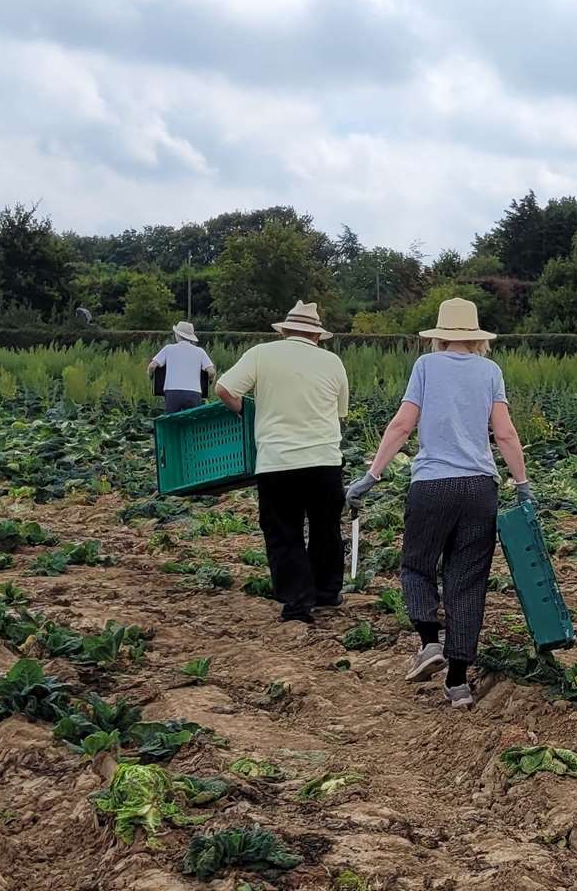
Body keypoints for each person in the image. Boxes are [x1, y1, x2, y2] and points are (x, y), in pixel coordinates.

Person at [344, 298, 531, 710]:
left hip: (433, 485)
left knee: (417, 564)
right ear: (476, 337)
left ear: (440, 335)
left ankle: (430, 643)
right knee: (467, 580)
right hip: (480, 488)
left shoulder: (426, 367)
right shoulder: (491, 371)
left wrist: (371, 476)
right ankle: (459, 683)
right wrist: (522, 483)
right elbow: (504, 433)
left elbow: (402, 425)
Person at [215, 301, 350, 625]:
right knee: (325, 529)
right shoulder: (332, 362)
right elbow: (340, 411)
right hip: (323, 460)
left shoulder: (262, 354)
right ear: (317, 336)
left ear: (286, 331)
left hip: (277, 462)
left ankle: (298, 605)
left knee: (284, 532)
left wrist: (247, 413)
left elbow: (223, 388)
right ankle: (327, 594)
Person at [147, 321, 216, 413]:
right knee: (192, 422)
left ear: (177, 335)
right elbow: (211, 371)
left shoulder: (168, 349)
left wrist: (151, 376)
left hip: (172, 392)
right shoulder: (200, 351)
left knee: (171, 422)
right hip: (194, 393)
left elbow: (152, 366)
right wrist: (209, 381)